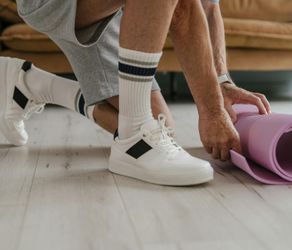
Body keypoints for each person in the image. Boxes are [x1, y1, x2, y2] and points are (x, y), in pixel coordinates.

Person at [0, 0, 270, 186]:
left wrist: (222, 83)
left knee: (163, 127)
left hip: (115, 9)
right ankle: (133, 137)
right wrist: (212, 111)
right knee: (141, 129)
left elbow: (208, 8)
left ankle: (32, 86)